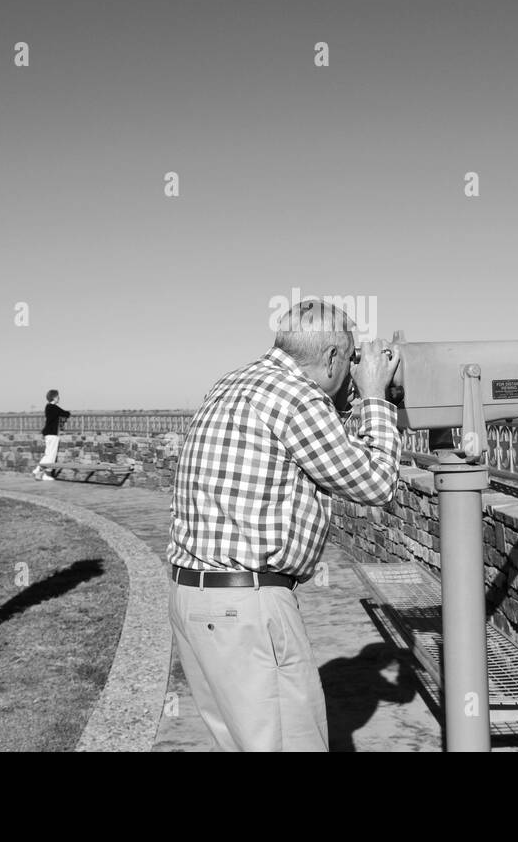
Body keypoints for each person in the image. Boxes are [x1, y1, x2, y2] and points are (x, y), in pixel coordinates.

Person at [166, 300, 401, 751]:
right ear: (333, 357)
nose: (352, 369)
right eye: (350, 358)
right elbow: (376, 483)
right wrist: (374, 396)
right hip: (246, 608)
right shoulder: (296, 396)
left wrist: (350, 401)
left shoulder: (234, 382)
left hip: (193, 600)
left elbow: (324, 453)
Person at [33, 389, 72, 481]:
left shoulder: (48, 407)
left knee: (47, 454)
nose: (59, 398)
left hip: (47, 433)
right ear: (54, 397)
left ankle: (37, 470)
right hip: (53, 434)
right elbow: (66, 413)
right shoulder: (54, 407)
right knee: (51, 455)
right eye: (58, 396)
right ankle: (46, 474)